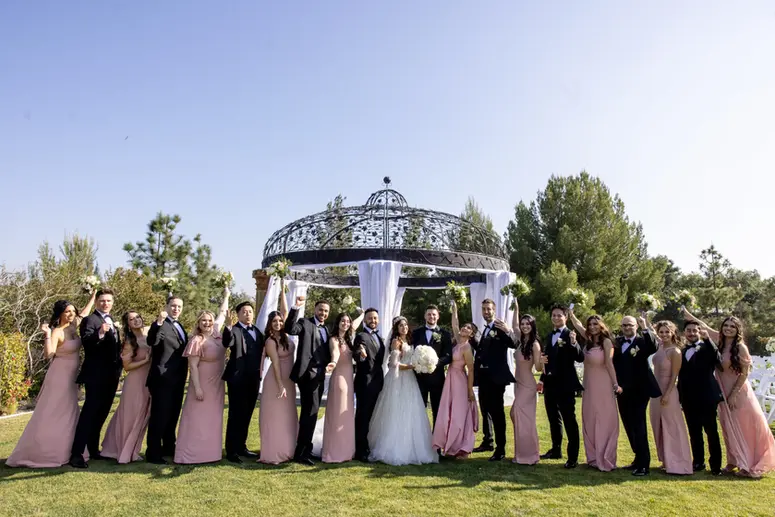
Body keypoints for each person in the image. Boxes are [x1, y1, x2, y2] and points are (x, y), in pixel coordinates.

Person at [6, 294, 95, 468]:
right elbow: (49, 354)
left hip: (72, 377)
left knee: (70, 412)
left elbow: (84, 313)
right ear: (60, 314)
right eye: (67, 311)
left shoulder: (74, 325)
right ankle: (46, 452)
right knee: (55, 412)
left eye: (72, 311)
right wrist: (47, 334)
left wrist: (93, 295)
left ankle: (68, 450)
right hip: (59, 376)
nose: (71, 314)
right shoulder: (57, 331)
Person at [368, 316, 438, 465]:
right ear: (396, 328)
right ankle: (392, 446)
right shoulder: (396, 341)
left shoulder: (409, 341)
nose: (404, 328)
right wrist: (413, 366)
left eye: (406, 325)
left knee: (411, 410)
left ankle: (412, 446)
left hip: (410, 379)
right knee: (396, 410)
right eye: (401, 326)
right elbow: (394, 364)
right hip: (397, 379)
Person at [714, 316, 775, 478]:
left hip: (739, 393)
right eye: (726, 325)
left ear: (737, 330)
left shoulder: (740, 347)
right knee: (728, 427)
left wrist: (733, 394)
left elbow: (744, 373)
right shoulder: (720, 344)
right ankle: (732, 461)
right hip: (722, 391)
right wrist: (688, 315)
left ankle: (747, 463)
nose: (728, 328)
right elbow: (705, 328)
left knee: (743, 427)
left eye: (732, 326)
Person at [70, 289, 123, 468]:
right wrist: (99, 333)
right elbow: (86, 342)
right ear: (97, 302)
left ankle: (93, 450)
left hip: (112, 375)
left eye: (109, 301)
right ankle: (76, 454)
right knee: (89, 413)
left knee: (102, 413)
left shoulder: (112, 319)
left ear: (112, 302)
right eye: (102, 300)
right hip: (96, 374)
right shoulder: (90, 320)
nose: (105, 303)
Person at [174, 296, 229, 464]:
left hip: (217, 384)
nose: (207, 323)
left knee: (213, 418)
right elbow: (193, 366)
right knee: (198, 418)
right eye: (203, 320)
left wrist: (226, 295)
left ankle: (211, 453)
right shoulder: (197, 340)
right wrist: (197, 388)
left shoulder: (217, 334)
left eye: (209, 320)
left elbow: (222, 313)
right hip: (202, 383)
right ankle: (191, 454)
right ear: (198, 323)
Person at [568, 311, 620, 472]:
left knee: (604, 420)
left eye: (595, 324)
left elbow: (609, 364)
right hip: (589, 386)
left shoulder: (607, 342)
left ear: (601, 325)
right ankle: (593, 457)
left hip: (603, 386)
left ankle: (606, 457)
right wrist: (571, 314)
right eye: (590, 324)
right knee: (590, 419)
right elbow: (578, 325)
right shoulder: (589, 340)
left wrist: (615, 384)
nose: (592, 327)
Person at [100, 311, 152, 463]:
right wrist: (145, 361)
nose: (136, 320)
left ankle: (130, 448)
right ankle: (123, 450)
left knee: (143, 415)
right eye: (131, 319)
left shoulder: (148, 333)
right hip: (135, 382)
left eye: (138, 317)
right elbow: (127, 366)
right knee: (131, 416)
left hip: (148, 380)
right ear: (128, 324)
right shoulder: (130, 341)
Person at [612, 314, 661, 476]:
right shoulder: (617, 342)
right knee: (628, 425)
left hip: (640, 391)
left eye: (630, 325)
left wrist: (645, 327)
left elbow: (653, 346)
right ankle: (637, 458)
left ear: (636, 326)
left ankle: (644, 465)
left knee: (639, 426)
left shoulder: (642, 341)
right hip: (622, 390)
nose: (627, 328)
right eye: (624, 325)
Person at [538, 304, 584, 469]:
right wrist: (542, 379)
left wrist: (574, 342)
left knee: (569, 420)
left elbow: (580, 357)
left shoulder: (570, 334)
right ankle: (556, 449)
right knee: (553, 418)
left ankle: (573, 457)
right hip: (550, 384)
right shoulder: (549, 335)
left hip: (565, 384)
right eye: (554, 315)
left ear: (566, 317)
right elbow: (547, 360)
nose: (556, 318)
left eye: (559, 315)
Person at [287, 296, 331, 465]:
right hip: (307, 375)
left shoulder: (327, 329)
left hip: (320, 376)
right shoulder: (305, 323)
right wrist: (295, 308)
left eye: (326, 311)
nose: (323, 313)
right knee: (309, 413)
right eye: (320, 310)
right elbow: (290, 328)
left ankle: (305, 449)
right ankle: (302, 452)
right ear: (315, 310)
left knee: (311, 413)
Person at [145, 295, 189, 464]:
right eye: (173, 306)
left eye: (179, 306)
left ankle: (169, 447)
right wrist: (157, 323)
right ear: (167, 306)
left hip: (178, 379)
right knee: (159, 416)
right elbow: (152, 341)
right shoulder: (161, 324)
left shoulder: (179, 326)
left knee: (172, 415)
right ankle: (153, 452)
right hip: (162, 378)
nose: (176, 309)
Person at [431, 300, 478, 458]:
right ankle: (449, 445)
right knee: (449, 411)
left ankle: (460, 447)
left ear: (471, 334)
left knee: (458, 413)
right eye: (465, 326)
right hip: (450, 379)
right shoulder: (458, 342)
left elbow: (471, 369)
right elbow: (455, 325)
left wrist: (470, 390)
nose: (464, 328)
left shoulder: (467, 348)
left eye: (468, 328)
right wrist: (454, 309)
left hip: (460, 381)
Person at [222, 291, 264, 463]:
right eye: (244, 312)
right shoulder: (234, 330)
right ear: (238, 314)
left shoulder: (257, 331)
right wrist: (227, 327)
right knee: (235, 414)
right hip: (237, 379)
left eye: (250, 312)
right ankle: (231, 450)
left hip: (253, 379)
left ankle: (242, 446)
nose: (248, 314)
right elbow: (227, 342)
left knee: (247, 414)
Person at [472, 299, 516, 462]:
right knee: (485, 410)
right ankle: (488, 441)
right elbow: (482, 350)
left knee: (497, 413)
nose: (486, 312)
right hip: (484, 378)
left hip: (497, 378)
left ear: (494, 310)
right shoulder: (485, 329)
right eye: (484, 309)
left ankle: (500, 448)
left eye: (489, 309)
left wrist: (508, 331)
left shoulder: (499, 327)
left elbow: (514, 344)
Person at [677, 321, 723, 475]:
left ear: (699, 332)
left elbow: (717, 358)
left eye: (694, 330)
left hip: (706, 397)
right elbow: (681, 376)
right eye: (688, 330)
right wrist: (680, 397)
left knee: (711, 431)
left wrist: (708, 339)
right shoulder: (682, 350)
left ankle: (715, 465)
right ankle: (698, 462)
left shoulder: (707, 347)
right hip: (688, 398)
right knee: (694, 432)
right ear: (684, 332)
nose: (691, 333)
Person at [259, 292, 299, 465]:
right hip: (277, 381)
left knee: (288, 416)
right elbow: (275, 364)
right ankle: (274, 452)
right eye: (274, 321)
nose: (278, 323)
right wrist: (280, 385)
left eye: (280, 321)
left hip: (289, 381)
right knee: (276, 417)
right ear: (270, 324)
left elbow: (285, 311)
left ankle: (289, 449)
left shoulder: (286, 336)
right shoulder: (270, 341)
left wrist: (283, 289)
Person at [321, 308, 364, 463]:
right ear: (338, 323)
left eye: (347, 321)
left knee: (346, 415)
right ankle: (334, 452)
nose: (345, 324)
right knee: (338, 414)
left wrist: (362, 314)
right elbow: (335, 353)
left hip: (349, 380)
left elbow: (355, 324)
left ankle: (346, 451)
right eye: (343, 321)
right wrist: (333, 362)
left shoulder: (349, 338)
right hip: (339, 380)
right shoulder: (334, 339)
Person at [650, 320, 692, 475]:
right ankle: (665, 460)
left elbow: (675, 376)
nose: (664, 334)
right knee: (657, 425)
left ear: (673, 332)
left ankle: (677, 462)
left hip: (668, 391)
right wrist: (645, 322)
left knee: (671, 426)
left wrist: (667, 394)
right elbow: (651, 334)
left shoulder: (675, 351)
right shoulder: (659, 347)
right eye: (661, 332)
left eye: (667, 332)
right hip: (655, 391)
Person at [506, 297, 542, 465]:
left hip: (528, 385)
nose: (524, 326)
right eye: (523, 324)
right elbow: (514, 325)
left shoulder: (534, 344)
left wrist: (542, 361)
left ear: (532, 325)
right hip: (518, 384)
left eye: (528, 324)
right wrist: (516, 307)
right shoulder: (521, 340)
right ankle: (522, 452)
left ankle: (529, 455)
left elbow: (539, 368)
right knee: (515, 415)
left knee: (521, 416)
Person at [411, 304, 453, 429]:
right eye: (429, 314)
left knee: (437, 410)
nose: (431, 316)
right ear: (425, 316)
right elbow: (411, 352)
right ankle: (420, 436)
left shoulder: (445, 334)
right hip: (419, 378)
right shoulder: (416, 333)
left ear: (438, 316)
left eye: (434, 314)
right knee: (419, 409)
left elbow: (448, 356)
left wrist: (434, 363)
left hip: (437, 378)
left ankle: (437, 437)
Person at [352, 308, 385, 462]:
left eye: (375, 318)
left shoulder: (379, 337)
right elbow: (357, 352)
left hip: (377, 381)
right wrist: (361, 355)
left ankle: (369, 444)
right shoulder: (361, 336)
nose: (373, 321)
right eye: (370, 318)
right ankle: (360, 450)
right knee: (363, 417)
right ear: (365, 320)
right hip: (365, 382)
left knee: (372, 415)